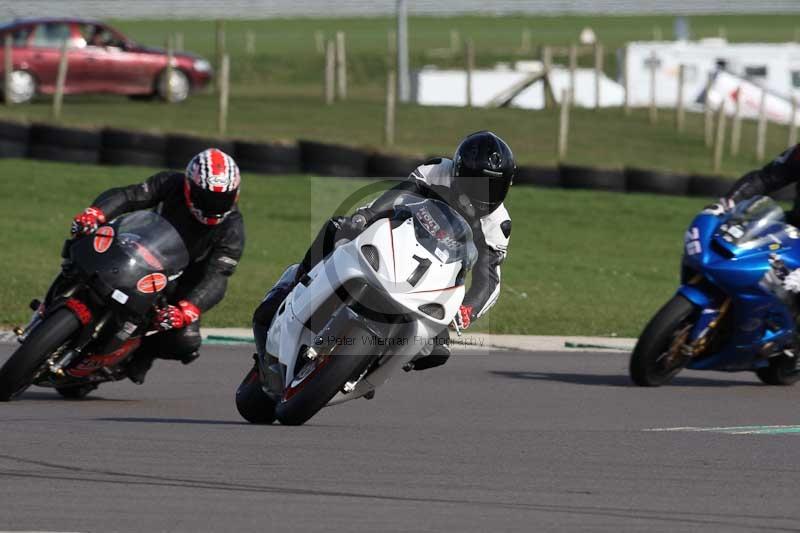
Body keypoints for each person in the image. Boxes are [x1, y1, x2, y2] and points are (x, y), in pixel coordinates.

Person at [252, 131, 514, 372]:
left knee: (438, 349)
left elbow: (489, 279)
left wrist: (466, 310)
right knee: (337, 228)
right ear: (458, 171)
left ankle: (373, 367)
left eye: (493, 186)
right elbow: (400, 193)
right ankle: (296, 284)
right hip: (397, 237)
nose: (483, 193)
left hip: (437, 275)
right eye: (475, 182)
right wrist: (367, 215)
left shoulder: (498, 224)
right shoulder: (438, 170)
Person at [68, 148, 245, 384]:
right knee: (83, 240)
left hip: (177, 283)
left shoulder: (232, 228)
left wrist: (188, 309)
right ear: (189, 186)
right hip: (137, 249)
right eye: (206, 197)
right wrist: (96, 214)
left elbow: (219, 275)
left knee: (186, 341)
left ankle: (139, 357)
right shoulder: (170, 183)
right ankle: (65, 287)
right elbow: (129, 196)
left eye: (222, 199)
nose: (213, 206)